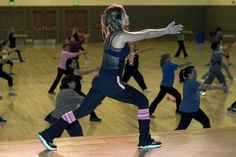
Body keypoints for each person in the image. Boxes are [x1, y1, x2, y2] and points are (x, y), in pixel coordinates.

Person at [38, 3, 183, 151]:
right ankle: (144, 139)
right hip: (111, 82)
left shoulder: (113, 35)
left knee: (81, 111)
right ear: (118, 19)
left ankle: (47, 134)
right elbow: (145, 34)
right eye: (125, 14)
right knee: (143, 101)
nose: (128, 16)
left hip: (101, 81)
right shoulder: (119, 36)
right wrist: (166, 30)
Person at [175, 66, 227, 130]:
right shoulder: (191, 82)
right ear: (189, 74)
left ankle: (207, 137)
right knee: (181, 129)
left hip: (194, 109)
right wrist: (219, 87)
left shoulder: (189, 81)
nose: (196, 74)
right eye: (194, 72)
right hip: (187, 110)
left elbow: (202, 86)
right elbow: (206, 87)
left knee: (206, 121)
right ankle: (170, 138)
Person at [149, 53, 191, 118]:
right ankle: (179, 110)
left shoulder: (164, 65)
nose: (171, 58)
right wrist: (187, 63)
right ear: (166, 59)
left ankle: (178, 110)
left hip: (165, 86)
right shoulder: (169, 65)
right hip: (166, 86)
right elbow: (179, 66)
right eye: (169, 57)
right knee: (176, 96)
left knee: (161, 99)